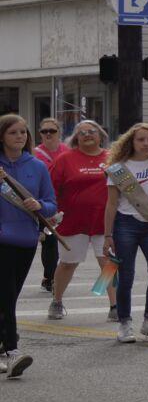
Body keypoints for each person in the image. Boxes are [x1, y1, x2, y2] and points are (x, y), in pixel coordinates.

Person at [103, 122, 148, 344]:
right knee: (125, 275)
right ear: (131, 142)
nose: (146, 143)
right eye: (141, 139)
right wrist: (107, 235)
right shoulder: (118, 168)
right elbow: (111, 204)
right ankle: (124, 322)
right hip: (125, 224)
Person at [0, 113, 55, 380]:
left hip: (25, 240)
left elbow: (51, 203)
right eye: (13, 132)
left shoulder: (38, 166)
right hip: (1, 239)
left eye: (23, 132)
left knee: (8, 297)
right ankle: (13, 351)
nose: (20, 136)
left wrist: (39, 205)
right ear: (2, 136)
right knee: (5, 296)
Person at [47, 121, 109, 321]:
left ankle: (115, 305)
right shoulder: (65, 159)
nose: (87, 135)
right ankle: (57, 300)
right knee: (68, 263)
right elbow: (50, 188)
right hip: (73, 222)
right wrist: (50, 213)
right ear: (76, 138)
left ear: (100, 135)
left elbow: (126, 189)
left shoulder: (112, 159)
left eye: (92, 131)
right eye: (82, 133)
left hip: (105, 222)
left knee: (109, 264)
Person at [33, 118, 66, 293]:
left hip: (65, 204)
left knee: (63, 242)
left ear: (59, 132)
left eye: (52, 131)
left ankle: (54, 276)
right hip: (45, 204)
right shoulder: (34, 153)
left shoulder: (67, 151)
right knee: (50, 241)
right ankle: (50, 277)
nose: (48, 134)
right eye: (44, 131)